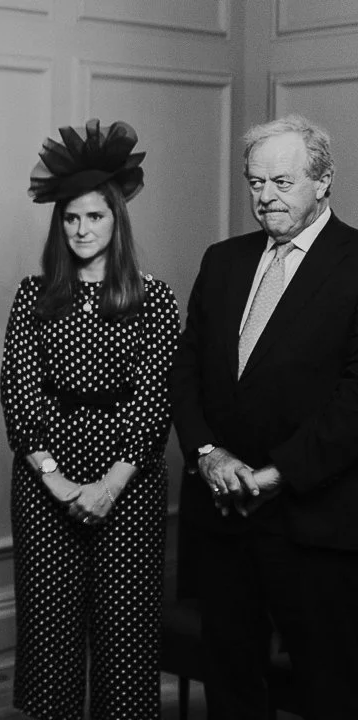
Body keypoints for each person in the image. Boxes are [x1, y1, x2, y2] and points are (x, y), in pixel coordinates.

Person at [170, 115, 358, 720]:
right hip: (222, 512)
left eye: (281, 181)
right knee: (230, 679)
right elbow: (187, 369)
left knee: (329, 684)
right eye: (255, 182)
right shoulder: (223, 261)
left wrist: (276, 474)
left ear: (324, 181)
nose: (264, 197)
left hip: (312, 519)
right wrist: (207, 455)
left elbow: (356, 398)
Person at [0, 119, 180, 720]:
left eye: (94, 217)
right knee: (49, 637)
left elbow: (157, 397)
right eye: (71, 218)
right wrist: (53, 478)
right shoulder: (34, 293)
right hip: (45, 476)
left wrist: (108, 486)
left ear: (116, 219)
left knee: (125, 641)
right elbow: (18, 391)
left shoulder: (152, 297)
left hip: (127, 483)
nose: (81, 229)